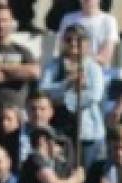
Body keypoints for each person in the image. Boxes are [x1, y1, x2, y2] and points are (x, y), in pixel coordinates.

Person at [40, 25, 104, 168]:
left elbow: (94, 95)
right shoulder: (54, 65)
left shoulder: (93, 67)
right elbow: (43, 90)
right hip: (58, 128)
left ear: (87, 43)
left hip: (86, 132)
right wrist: (67, 84)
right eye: (69, 40)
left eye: (79, 40)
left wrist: (65, 101)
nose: (74, 43)